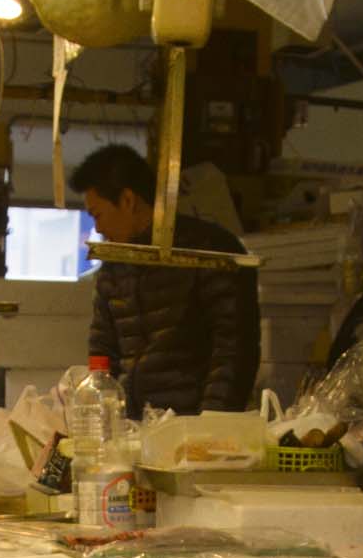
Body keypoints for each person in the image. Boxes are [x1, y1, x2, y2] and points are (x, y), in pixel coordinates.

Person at [68, 140, 256, 417]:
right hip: (136, 428)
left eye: (98, 214)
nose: (98, 227)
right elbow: (103, 352)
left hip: (195, 428)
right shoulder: (114, 266)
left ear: (128, 200)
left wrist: (212, 424)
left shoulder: (210, 251)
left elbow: (234, 349)